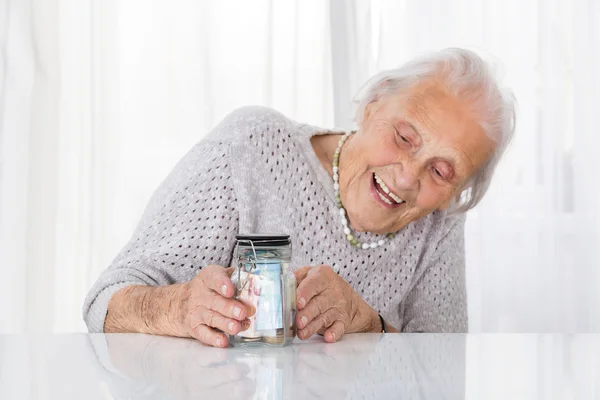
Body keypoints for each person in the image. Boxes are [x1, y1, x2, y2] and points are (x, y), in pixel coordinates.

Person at [83, 48, 515, 347]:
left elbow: (439, 376)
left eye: (441, 171)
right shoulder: (254, 146)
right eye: (404, 137)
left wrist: (370, 325)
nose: (406, 177)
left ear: (457, 192)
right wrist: (178, 307)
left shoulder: (438, 225)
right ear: (373, 104)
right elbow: (104, 304)